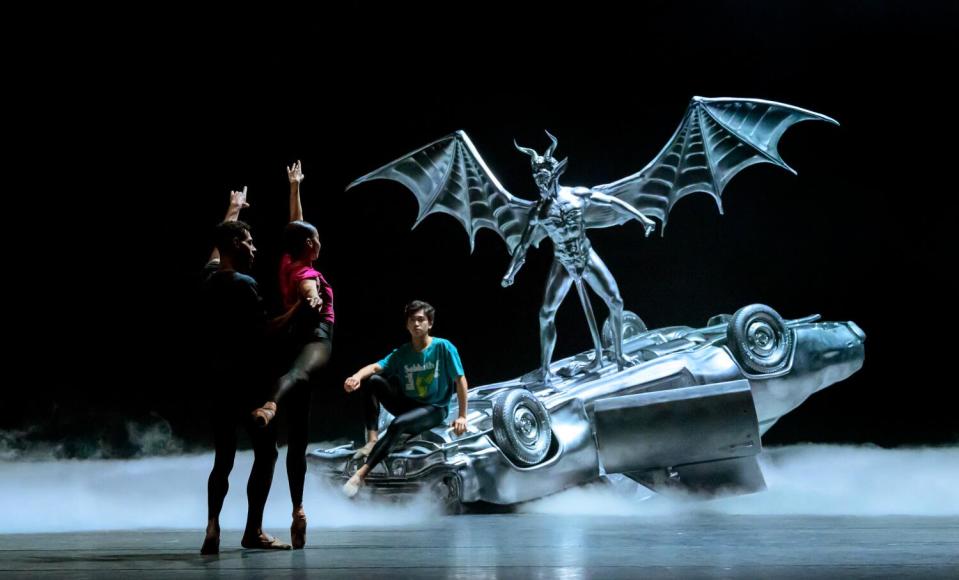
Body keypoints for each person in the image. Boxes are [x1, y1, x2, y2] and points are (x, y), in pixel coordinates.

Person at [199, 188, 295, 554]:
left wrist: (233, 209)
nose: (255, 247)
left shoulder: (209, 279)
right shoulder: (245, 284)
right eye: (250, 241)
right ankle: (253, 530)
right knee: (267, 454)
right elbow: (266, 331)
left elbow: (215, 248)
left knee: (222, 459)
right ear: (238, 244)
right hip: (250, 385)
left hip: (218, 383)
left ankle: (212, 526)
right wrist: (300, 308)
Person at [250, 161, 333, 549]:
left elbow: (295, 227)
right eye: (316, 238)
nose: (318, 239)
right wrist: (313, 298)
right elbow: (308, 290)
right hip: (316, 337)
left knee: (298, 439)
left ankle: (299, 510)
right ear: (312, 246)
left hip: (287, 344)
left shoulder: (289, 260)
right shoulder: (306, 276)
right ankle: (270, 405)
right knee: (300, 377)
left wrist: (294, 187)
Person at [342, 301, 468, 497]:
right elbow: (376, 367)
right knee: (374, 380)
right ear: (407, 325)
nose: (416, 324)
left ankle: (360, 475)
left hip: (434, 408)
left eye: (421, 320)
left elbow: (460, 380)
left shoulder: (444, 347)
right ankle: (372, 440)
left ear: (430, 323)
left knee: (398, 424)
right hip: (409, 405)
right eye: (412, 320)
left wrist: (462, 416)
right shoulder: (403, 352)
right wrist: (356, 376)